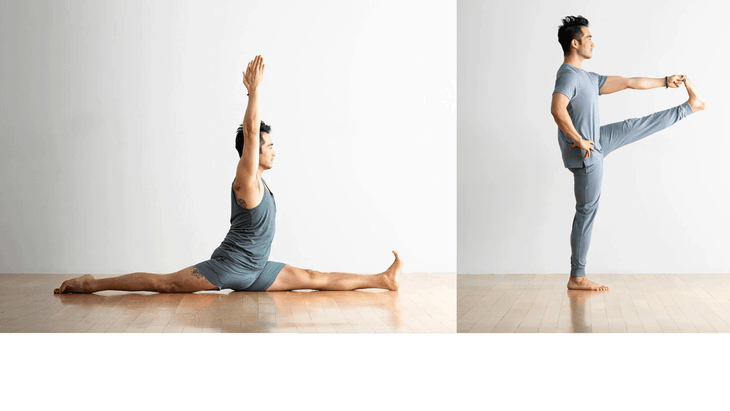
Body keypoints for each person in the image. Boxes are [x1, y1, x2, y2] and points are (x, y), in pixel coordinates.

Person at [55, 55, 402, 294]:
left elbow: (255, 137)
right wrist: (255, 91)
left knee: (314, 277)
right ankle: (90, 284)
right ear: (252, 152)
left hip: (259, 271)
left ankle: (384, 280)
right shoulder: (246, 180)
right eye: (268, 145)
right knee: (166, 284)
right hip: (230, 267)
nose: (272, 149)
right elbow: (251, 133)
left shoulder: (262, 184)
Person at [550, 16, 706, 291]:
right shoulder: (567, 75)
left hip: (598, 140)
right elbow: (557, 109)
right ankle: (577, 277)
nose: (593, 43)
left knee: (634, 125)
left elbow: (629, 82)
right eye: (588, 39)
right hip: (586, 154)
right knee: (586, 212)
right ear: (574, 44)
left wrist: (665, 81)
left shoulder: (587, 77)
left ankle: (690, 106)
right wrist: (579, 140)